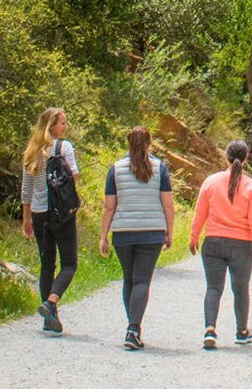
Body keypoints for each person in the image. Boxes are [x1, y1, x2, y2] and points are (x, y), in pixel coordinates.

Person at [99, 125, 175, 351]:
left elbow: (109, 206)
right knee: (142, 280)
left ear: (128, 143)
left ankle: (132, 327)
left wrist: (104, 235)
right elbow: (168, 204)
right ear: (149, 144)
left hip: (123, 232)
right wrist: (169, 231)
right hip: (152, 232)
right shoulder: (160, 169)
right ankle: (133, 328)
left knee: (129, 279)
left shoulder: (116, 169)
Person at [189, 139, 252, 350]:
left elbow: (200, 213)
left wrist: (194, 237)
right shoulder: (251, 186)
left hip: (213, 242)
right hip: (241, 245)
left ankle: (210, 329)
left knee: (214, 287)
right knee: (240, 289)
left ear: (226, 157)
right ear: (246, 159)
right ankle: (241, 331)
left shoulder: (211, 182)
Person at [20, 106, 78, 335]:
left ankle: (48, 319)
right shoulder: (63, 147)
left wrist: (26, 219)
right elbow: (74, 175)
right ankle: (51, 302)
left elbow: (26, 189)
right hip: (61, 212)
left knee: (47, 265)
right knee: (70, 263)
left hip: (38, 213)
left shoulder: (32, 150)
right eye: (62, 123)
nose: (65, 126)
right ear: (51, 126)